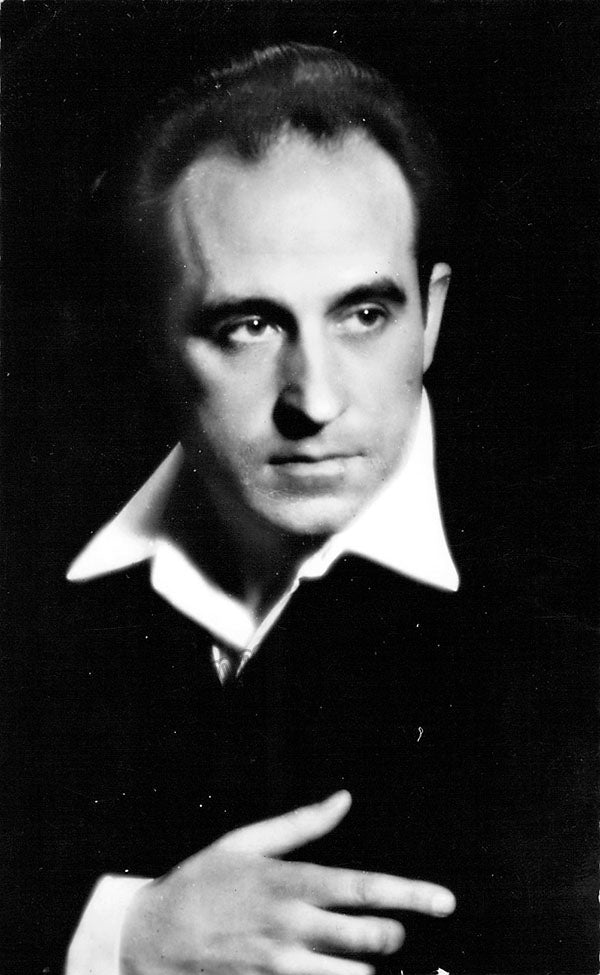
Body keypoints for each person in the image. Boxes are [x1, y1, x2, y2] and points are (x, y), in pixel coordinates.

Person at [17, 42, 596, 975]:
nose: (315, 399)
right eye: (248, 325)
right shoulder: (36, 605)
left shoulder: (564, 639)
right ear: (151, 340)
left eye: (364, 314)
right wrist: (121, 939)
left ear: (431, 315)